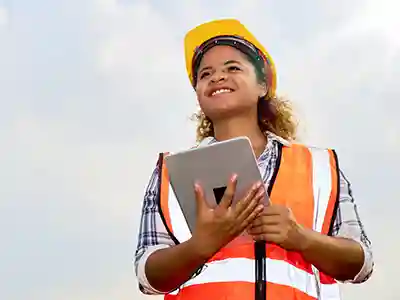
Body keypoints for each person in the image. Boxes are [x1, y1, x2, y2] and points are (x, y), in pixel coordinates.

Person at [134, 19, 373, 300]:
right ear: (198, 94)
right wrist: (200, 246)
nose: (217, 77)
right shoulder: (169, 172)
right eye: (205, 74)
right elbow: (148, 277)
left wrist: (301, 238)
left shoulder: (320, 167)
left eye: (232, 68)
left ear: (262, 85)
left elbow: (361, 265)